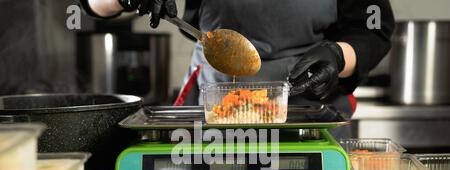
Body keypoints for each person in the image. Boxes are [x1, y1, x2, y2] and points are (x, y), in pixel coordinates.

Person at [79, 0, 394, 121]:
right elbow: (93, 4)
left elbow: (373, 28)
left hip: (306, 109)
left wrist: (338, 56)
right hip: (211, 111)